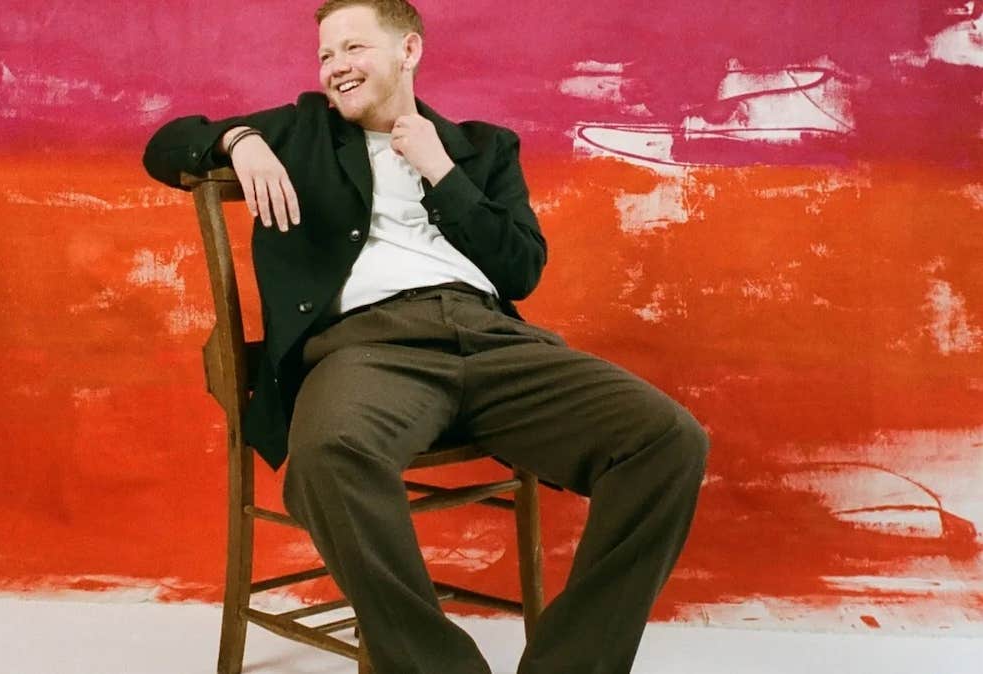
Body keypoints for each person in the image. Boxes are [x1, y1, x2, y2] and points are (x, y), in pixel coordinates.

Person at [143, 2, 709, 672]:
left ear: (408, 50)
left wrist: (443, 172)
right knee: (326, 456)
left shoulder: (482, 147)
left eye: (353, 49)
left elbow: (520, 269)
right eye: (325, 55)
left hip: (495, 343)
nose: (335, 68)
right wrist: (239, 140)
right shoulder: (300, 131)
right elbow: (166, 144)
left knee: (666, 440)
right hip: (368, 348)